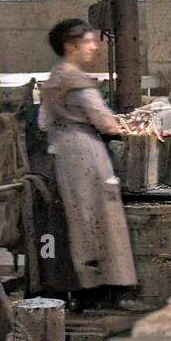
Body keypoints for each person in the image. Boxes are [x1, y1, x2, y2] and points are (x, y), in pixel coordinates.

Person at [36, 18, 138, 305]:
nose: (95, 46)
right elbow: (106, 123)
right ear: (72, 46)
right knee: (100, 215)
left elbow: (43, 122)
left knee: (77, 217)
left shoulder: (54, 79)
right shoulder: (77, 81)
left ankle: (82, 285)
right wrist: (125, 125)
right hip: (86, 151)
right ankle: (106, 287)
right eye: (89, 41)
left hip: (63, 151)